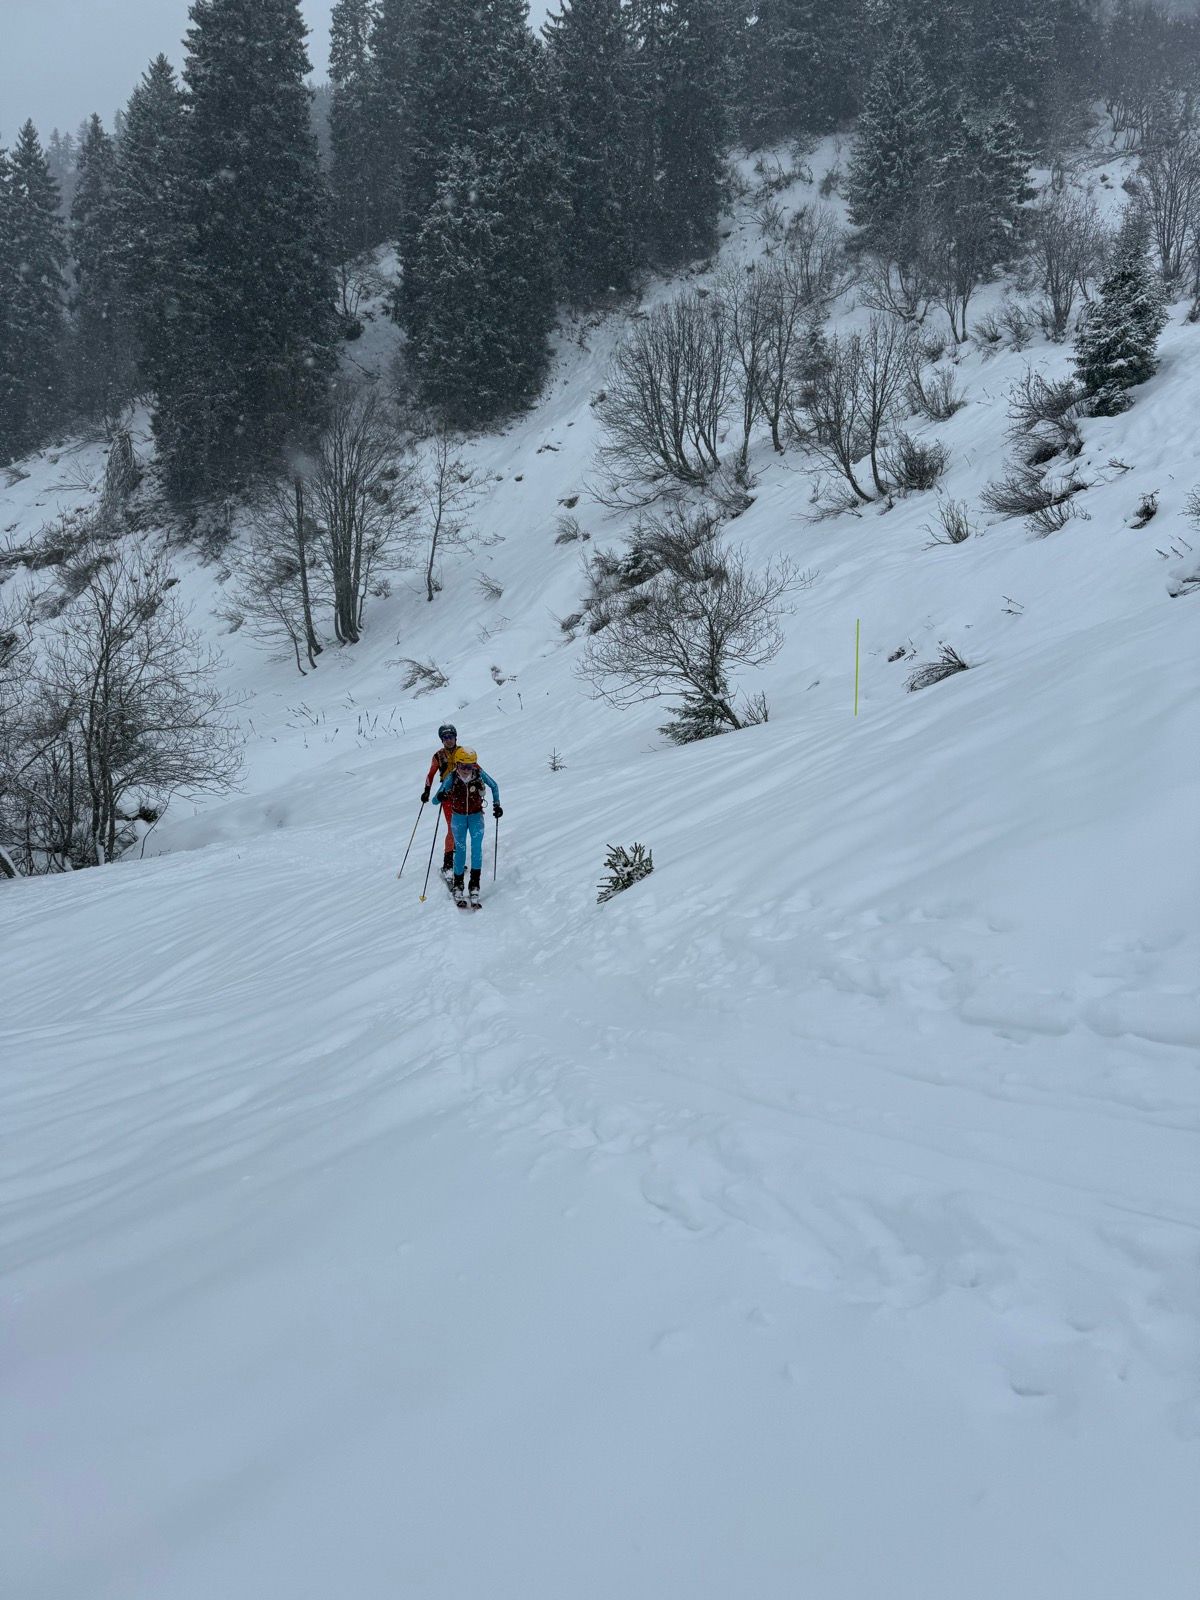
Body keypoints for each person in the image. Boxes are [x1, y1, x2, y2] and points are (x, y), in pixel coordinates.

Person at [430, 748, 502, 908]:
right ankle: (458, 886)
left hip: (476, 818)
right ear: (457, 764)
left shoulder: (479, 773)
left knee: (476, 850)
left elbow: (494, 786)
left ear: (474, 765)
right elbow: (435, 800)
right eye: (462, 766)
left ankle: (474, 886)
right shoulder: (452, 777)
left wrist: (497, 805)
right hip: (458, 819)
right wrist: (440, 796)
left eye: (469, 766)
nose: (466, 770)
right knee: (461, 850)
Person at [421, 723, 463, 875]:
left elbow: (475, 769)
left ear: (455, 737)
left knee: (461, 828)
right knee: (452, 828)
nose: (448, 740)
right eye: (445, 738)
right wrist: (427, 791)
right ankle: (448, 863)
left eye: (451, 737)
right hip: (447, 796)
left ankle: (458, 856)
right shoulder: (438, 756)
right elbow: (430, 774)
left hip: (463, 795)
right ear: (441, 740)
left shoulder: (463, 752)